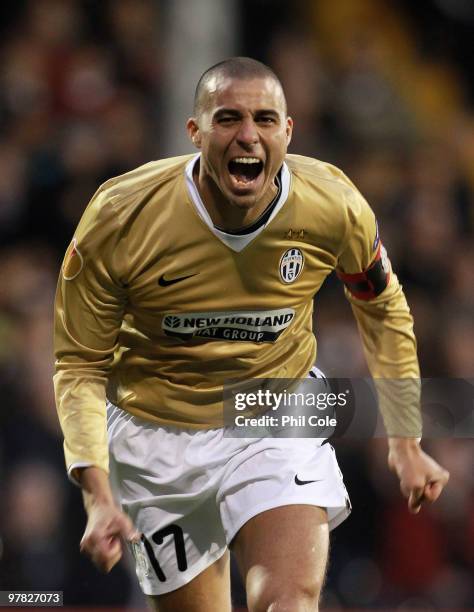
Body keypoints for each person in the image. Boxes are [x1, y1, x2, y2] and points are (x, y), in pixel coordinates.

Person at [54, 57, 449, 612]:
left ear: (288, 131)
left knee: (288, 600)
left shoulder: (331, 204)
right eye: (228, 119)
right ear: (194, 132)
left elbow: (381, 304)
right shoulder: (121, 216)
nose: (248, 135)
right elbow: (79, 364)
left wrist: (405, 442)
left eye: (265, 119)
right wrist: (97, 494)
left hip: (271, 405)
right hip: (154, 433)